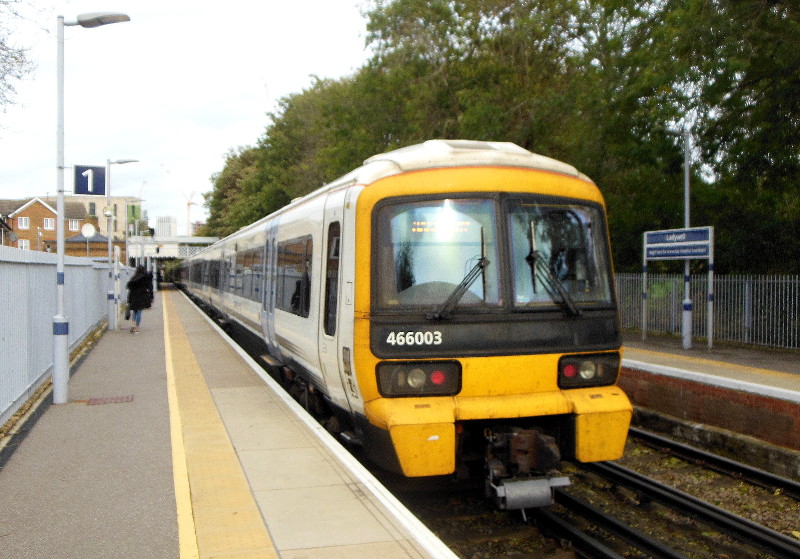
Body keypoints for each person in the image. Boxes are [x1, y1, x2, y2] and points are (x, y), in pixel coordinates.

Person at [126, 265, 153, 333]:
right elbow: (149, 287)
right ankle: (137, 327)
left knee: (134, 312)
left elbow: (129, 286)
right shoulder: (145, 278)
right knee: (139, 312)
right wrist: (151, 296)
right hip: (142, 297)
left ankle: (133, 324)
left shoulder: (134, 277)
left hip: (134, 296)